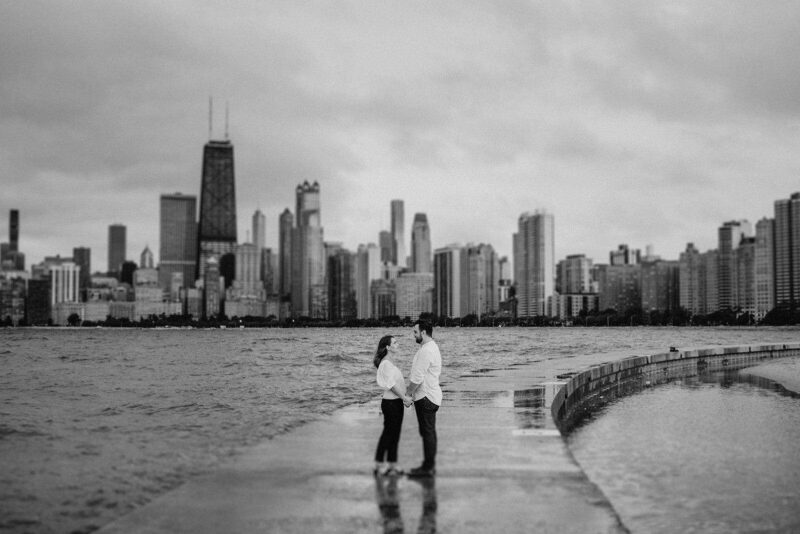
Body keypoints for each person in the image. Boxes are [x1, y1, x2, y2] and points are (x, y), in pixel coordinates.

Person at [406, 320, 442, 477]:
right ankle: (429, 466)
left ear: (423, 332)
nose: (413, 335)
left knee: (427, 433)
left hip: (426, 397)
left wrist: (407, 395)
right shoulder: (430, 348)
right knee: (429, 432)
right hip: (431, 396)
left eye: (415, 332)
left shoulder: (426, 351)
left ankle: (427, 468)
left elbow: (417, 377)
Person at [374, 335, 413, 476]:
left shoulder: (390, 362)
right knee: (388, 434)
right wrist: (404, 398)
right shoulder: (386, 364)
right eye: (395, 342)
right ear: (388, 347)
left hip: (395, 403)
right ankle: (379, 465)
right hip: (391, 404)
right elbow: (391, 386)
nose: (398, 344)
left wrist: (404, 397)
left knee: (394, 435)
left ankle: (392, 465)